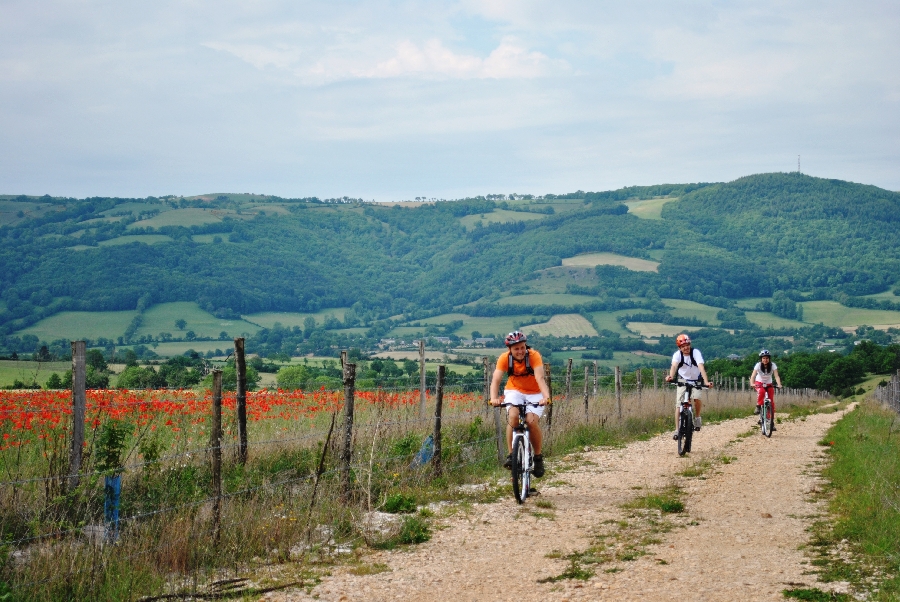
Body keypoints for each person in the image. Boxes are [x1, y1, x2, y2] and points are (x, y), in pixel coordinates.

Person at [489, 331, 551, 478]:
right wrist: (494, 398)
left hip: (535, 392)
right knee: (513, 416)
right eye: (516, 348)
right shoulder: (504, 358)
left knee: (530, 421)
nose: (520, 351)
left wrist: (546, 397)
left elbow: (540, 378)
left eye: (522, 347)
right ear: (509, 349)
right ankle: (512, 455)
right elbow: (496, 380)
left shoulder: (534, 356)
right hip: (514, 390)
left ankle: (537, 457)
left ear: (526, 346)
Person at [665, 333, 713, 439]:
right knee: (679, 405)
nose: (685, 348)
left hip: (696, 380)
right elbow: (674, 366)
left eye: (687, 345)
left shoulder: (695, 353)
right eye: (683, 346)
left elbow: (701, 367)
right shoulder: (677, 355)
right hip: (682, 380)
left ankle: (697, 418)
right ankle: (677, 430)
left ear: (689, 344)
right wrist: (671, 376)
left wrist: (706, 381)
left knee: (697, 398)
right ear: (679, 348)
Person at [749, 349, 782, 431]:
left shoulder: (773, 365)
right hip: (759, 383)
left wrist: (779, 384)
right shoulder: (758, 365)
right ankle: (758, 407)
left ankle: (771, 422)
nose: (765, 360)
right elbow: (753, 375)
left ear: (769, 359)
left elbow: (776, 376)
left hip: (769, 384)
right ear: (761, 359)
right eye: (763, 358)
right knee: (762, 392)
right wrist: (752, 383)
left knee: (771, 403)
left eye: (767, 358)